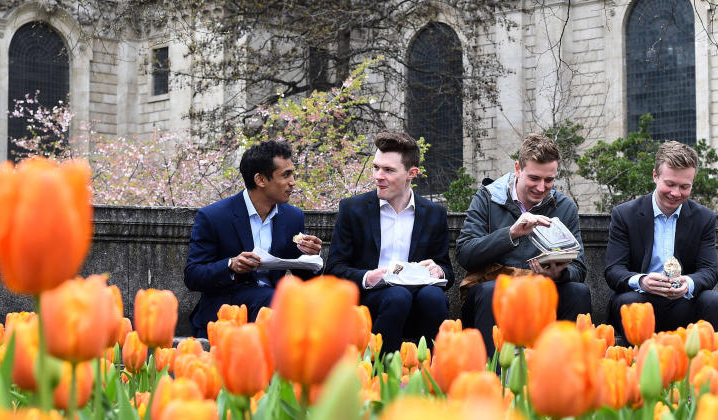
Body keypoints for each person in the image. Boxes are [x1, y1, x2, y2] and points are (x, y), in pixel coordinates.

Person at [456, 133, 591, 356]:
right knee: (492, 292)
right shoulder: (488, 198)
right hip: (496, 289)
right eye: (534, 178)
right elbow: (465, 253)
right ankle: (494, 377)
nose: (541, 187)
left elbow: (580, 268)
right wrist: (511, 233)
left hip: (542, 291)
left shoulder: (565, 207)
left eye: (549, 180)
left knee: (578, 291)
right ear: (518, 169)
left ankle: (566, 375)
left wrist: (558, 273)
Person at [326, 131, 452, 355]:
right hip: (371, 301)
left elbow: (447, 271)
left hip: (419, 299)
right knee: (397, 296)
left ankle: (435, 375)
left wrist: (438, 272)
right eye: (376, 167)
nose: (378, 176)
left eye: (388, 170)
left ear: (411, 173)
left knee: (434, 297)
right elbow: (334, 270)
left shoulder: (434, 214)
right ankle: (379, 374)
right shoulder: (352, 209)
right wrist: (368, 277)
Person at [184, 140, 322, 337]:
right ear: (261, 180)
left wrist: (311, 257)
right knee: (276, 302)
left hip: (273, 304)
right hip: (227, 307)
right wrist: (230, 265)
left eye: (292, 174)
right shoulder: (214, 216)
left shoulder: (293, 217)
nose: (293, 182)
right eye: (286, 175)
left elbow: (304, 279)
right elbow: (192, 276)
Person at [604, 140, 718, 336]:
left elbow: (709, 271)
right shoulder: (624, 215)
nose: (676, 193)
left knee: (714, 302)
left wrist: (688, 283)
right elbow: (613, 270)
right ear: (655, 176)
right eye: (670, 184)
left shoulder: (704, 218)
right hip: (640, 300)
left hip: (684, 303)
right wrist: (642, 281)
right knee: (628, 302)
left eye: (684, 187)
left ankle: (710, 363)